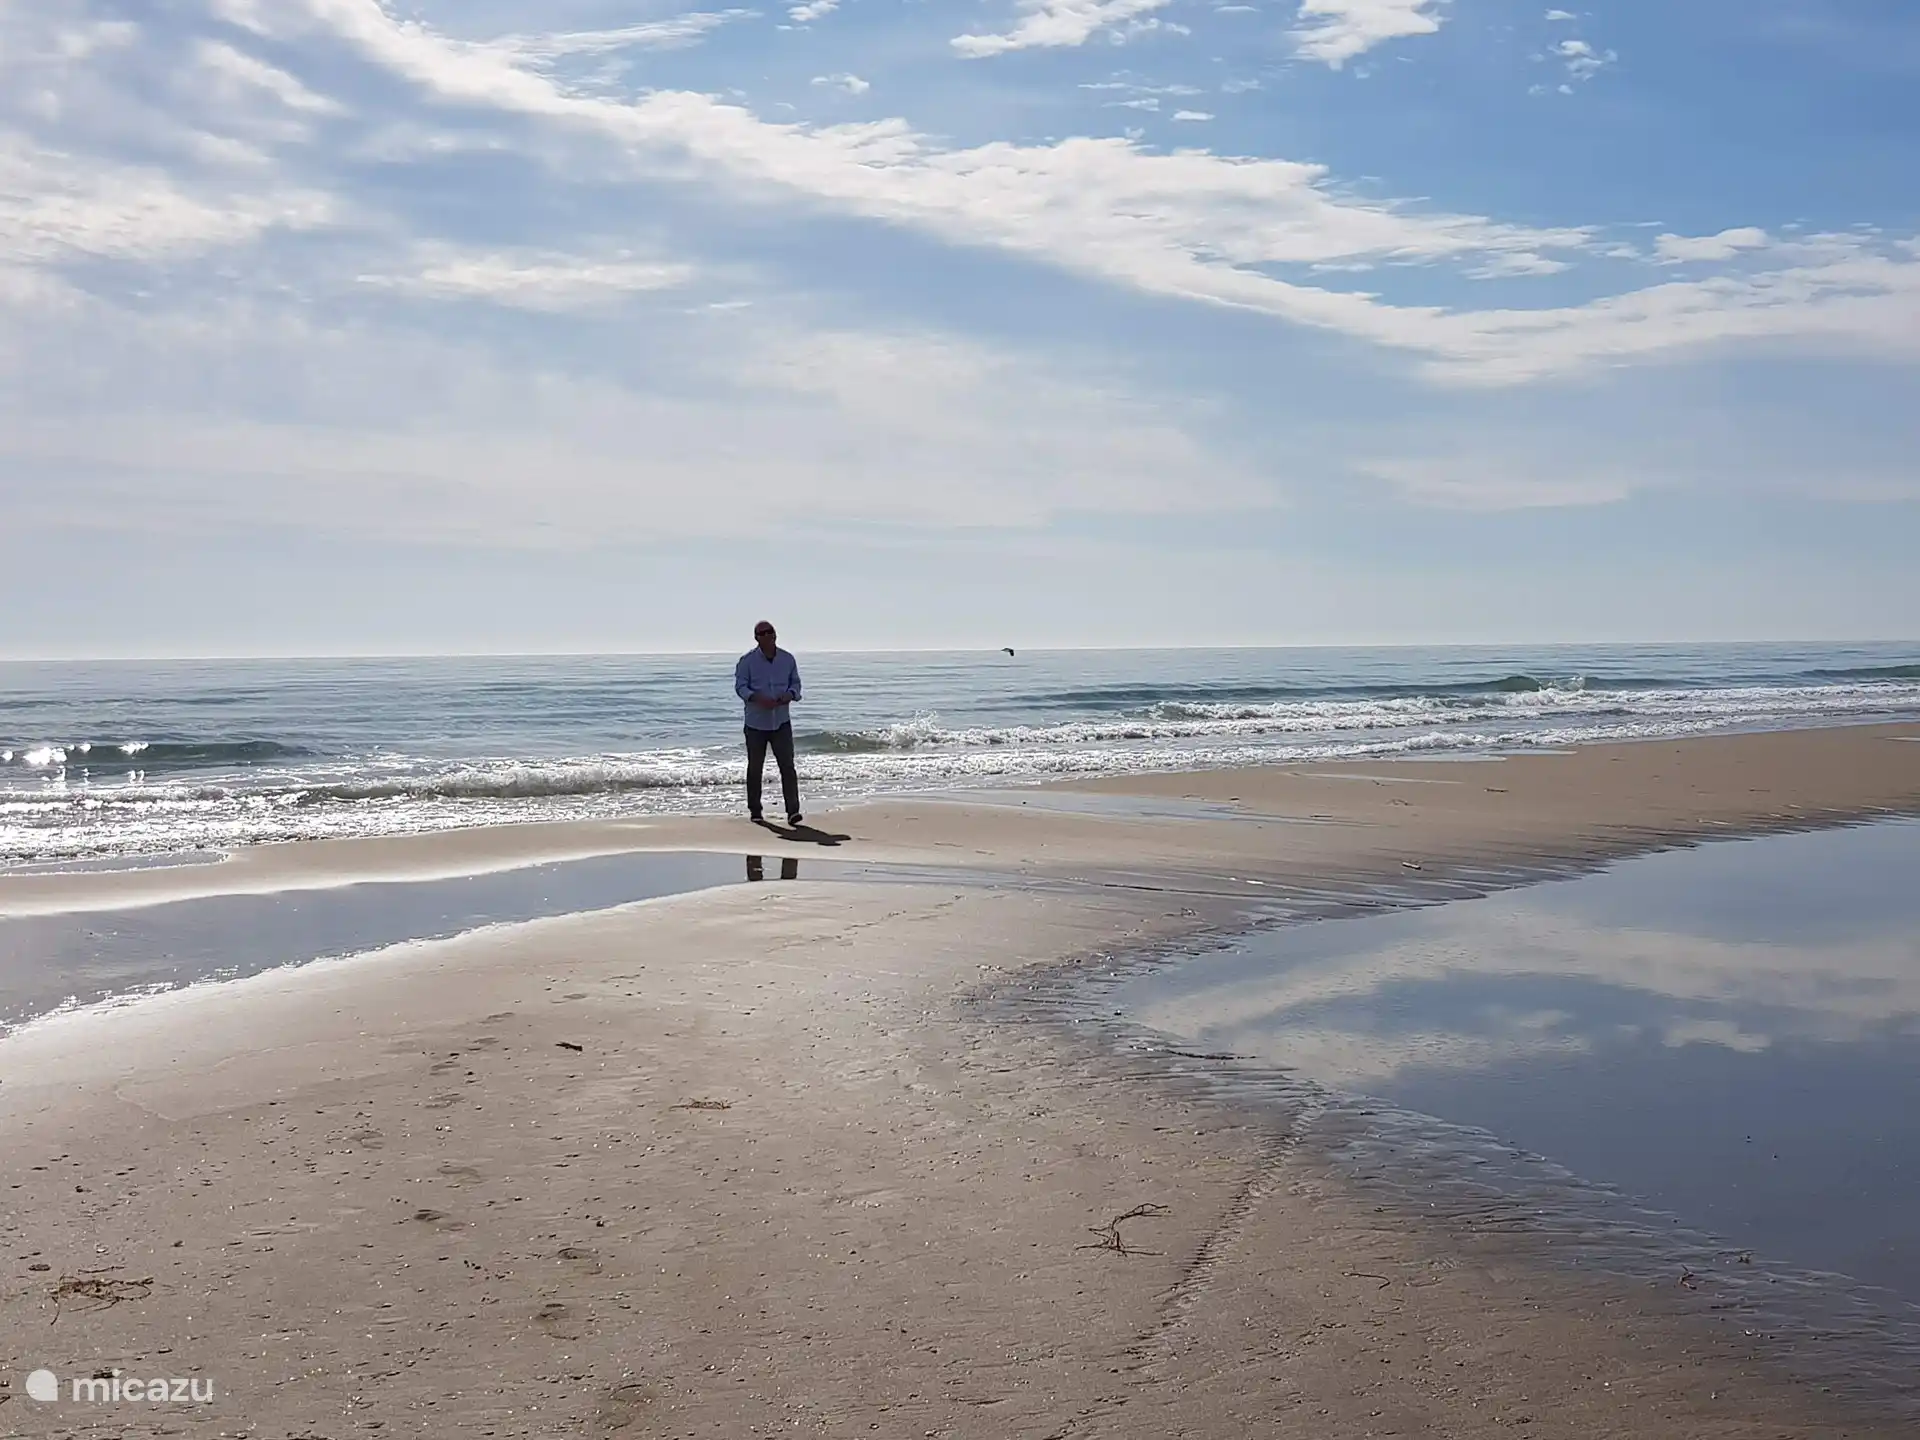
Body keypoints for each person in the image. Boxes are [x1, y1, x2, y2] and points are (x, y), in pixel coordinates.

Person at [735, 620, 803, 825]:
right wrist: (757, 698)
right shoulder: (746, 661)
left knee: (787, 767)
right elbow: (740, 687)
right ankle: (755, 811)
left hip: (781, 721)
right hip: (756, 723)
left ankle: (793, 811)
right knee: (755, 767)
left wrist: (789, 695)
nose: (767, 635)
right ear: (756, 638)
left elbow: (796, 685)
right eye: (762, 633)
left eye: (770, 632)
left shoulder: (787, 659)